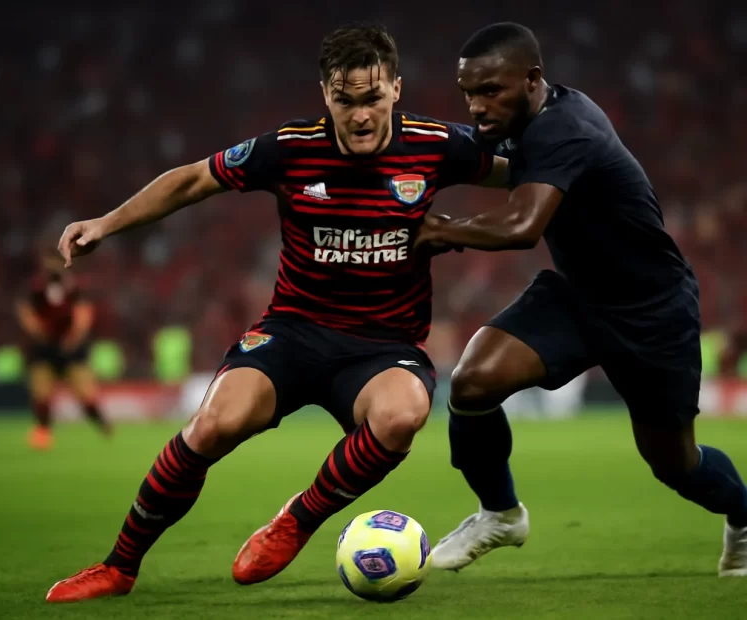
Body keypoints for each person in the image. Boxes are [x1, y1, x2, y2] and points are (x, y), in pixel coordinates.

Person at [45, 22, 504, 603]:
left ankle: (297, 519)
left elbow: (530, 172)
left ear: (395, 89)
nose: (360, 115)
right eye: (345, 100)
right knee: (212, 424)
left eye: (371, 98)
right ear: (325, 95)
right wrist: (104, 224)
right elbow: (190, 182)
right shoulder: (290, 149)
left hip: (384, 347)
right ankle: (119, 566)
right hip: (291, 333)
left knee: (402, 415)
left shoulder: (437, 144)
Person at [415, 22, 747, 577]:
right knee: (472, 383)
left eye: (490, 90)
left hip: (652, 310)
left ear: (532, 79)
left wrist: (440, 230)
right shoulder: (517, 120)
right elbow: (469, 154)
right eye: (469, 92)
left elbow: (523, 224)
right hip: (579, 300)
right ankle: (500, 513)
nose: (477, 106)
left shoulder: (567, 127)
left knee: (674, 463)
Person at [16, 247, 109, 450]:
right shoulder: (36, 287)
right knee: (40, 392)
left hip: (71, 348)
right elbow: (25, 312)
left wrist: (73, 338)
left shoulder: (74, 287)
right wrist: (38, 332)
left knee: (86, 396)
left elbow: (84, 314)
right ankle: (42, 432)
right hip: (45, 348)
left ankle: (102, 424)